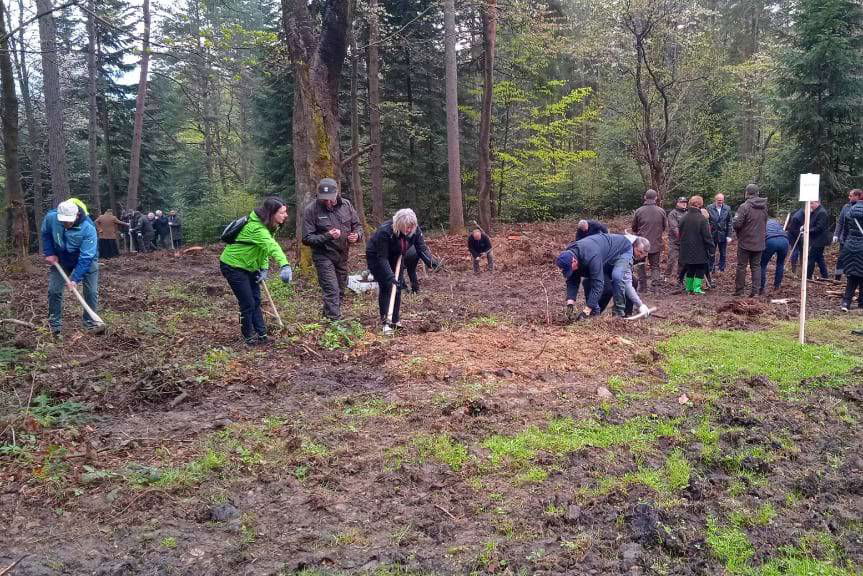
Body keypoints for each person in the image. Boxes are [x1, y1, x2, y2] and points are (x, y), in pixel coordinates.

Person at [219, 196, 293, 346]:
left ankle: (261, 333)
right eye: (282, 212)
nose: (285, 215)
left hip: (251, 266)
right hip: (233, 266)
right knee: (247, 302)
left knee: (256, 300)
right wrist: (284, 265)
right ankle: (248, 336)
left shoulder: (269, 226)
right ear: (272, 213)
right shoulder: (256, 228)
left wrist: (264, 268)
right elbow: (272, 246)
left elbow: (263, 249)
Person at [302, 178, 363, 321]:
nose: (328, 202)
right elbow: (306, 238)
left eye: (330, 199)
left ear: (337, 193)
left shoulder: (346, 205)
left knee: (341, 289)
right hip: (323, 255)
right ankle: (335, 323)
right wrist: (327, 236)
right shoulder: (311, 209)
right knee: (332, 289)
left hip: (342, 254)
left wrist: (357, 235)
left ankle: (328, 317)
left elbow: (357, 225)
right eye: (324, 199)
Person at [555, 233, 651, 319]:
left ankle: (622, 315)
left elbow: (599, 284)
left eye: (642, 253)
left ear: (574, 261)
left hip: (615, 256)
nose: (641, 255)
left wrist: (586, 311)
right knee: (596, 284)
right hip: (605, 261)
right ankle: (595, 313)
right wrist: (570, 304)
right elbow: (572, 280)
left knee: (624, 280)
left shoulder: (592, 256)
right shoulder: (569, 254)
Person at [41, 200, 101, 336]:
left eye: (69, 221)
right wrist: (49, 252)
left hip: (86, 259)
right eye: (63, 221)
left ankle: (91, 324)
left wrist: (75, 279)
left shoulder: (88, 228)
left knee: (91, 292)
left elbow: (86, 257)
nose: (66, 224)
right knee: (54, 290)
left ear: (77, 215)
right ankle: (54, 324)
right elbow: (46, 233)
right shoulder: (51, 218)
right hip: (61, 258)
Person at [366, 208, 431, 334]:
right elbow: (382, 257)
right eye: (406, 227)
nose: (408, 230)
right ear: (399, 224)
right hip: (377, 256)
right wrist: (390, 276)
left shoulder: (415, 230)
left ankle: (395, 320)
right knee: (387, 286)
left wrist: (431, 262)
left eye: (411, 227)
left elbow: (421, 248)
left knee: (398, 287)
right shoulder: (385, 231)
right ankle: (386, 322)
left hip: (397, 257)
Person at [732, 183, 768, 297]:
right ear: (757, 193)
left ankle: (739, 291)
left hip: (745, 242)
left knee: (741, 266)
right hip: (759, 242)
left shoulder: (744, 206)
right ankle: (755, 292)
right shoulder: (764, 207)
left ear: (747, 193)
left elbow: (737, 224)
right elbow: (765, 221)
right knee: (756, 267)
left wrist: (735, 223)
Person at [631, 189, 667, 292]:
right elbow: (664, 227)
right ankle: (655, 287)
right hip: (656, 243)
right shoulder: (661, 211)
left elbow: (634, 227)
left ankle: (643, 287)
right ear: (656, 198)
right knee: (655, 266)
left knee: (640, 265)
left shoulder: (639, 211)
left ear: (645, 198)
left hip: (640, 244)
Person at [678, 196, 714, 294]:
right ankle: (697, 289)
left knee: (690, 267)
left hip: (686, 248)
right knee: (700, 268)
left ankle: (688, 288)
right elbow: (707, 236)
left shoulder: (683, 217)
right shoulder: (702, 219)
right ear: (700, 204)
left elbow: (679, 233)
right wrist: (711, 248)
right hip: (700, 249)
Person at [839, 199, 863, 311]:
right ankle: (861, 302)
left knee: (852, 276)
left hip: (849, 247)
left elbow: (845, 229)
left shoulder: (850, 211)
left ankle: (846, 302)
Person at [833, 189, 861, 279]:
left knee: (854, 259)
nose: (849, 197)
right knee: (841, 258)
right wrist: (836, 234)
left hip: (856, 239)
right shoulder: (846, 207)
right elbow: (840, 222)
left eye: (851, 196)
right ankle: (837, 277)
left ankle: (850, 277)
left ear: (857, 196)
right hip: (844, 239)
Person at [760, 211, 790, 294]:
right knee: (780, 264)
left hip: (770, 241)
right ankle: (777, 286)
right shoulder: (775, 222)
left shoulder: (761, 223)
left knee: (762, 264)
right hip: (784, 241)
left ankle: (761, 288)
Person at [706, 193, 733, 272]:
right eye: (718, 200)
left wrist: (729, 235)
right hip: (712, 234)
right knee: (711, 252)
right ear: (715, 200)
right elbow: (707, 221)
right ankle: (711, 268)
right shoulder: (709, 207)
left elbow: (729, 222)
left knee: (723, 253)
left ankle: (722, 268)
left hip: (723, 234)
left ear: (723, 200)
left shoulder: (727, 208)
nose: (720, 202)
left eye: (721, 200)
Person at [806, 200, 831, 280]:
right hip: (817, 239)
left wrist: (807, 230)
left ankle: (808, 277)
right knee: (819, 258)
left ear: (818, 203)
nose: (810, 205)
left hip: (819, 240)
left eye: (812, 203)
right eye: (810, 203)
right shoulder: (816, 211)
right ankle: (825, 276)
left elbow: (819, 227)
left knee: (811, 258)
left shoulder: (821, 212)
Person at [665, 197, 687, 282]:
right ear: (677, 203)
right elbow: (674, 228)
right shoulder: (673, 213)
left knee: (683, 260)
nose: (684, 203)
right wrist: (681, 237)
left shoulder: (688, 213)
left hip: (685, 242)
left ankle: (680, 277)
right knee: (672, 258)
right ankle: (667, 276)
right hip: (674, 241)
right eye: (682, 202)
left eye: (685, 202)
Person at [787, 207, 805, 274]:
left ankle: (803, 266)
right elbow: (792, 229)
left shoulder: (804, 212)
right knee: (795, 250)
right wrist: (801, 234)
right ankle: (793, 269)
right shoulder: (797, 217)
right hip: (792, 234)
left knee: (802, 249)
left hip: (798, 232)